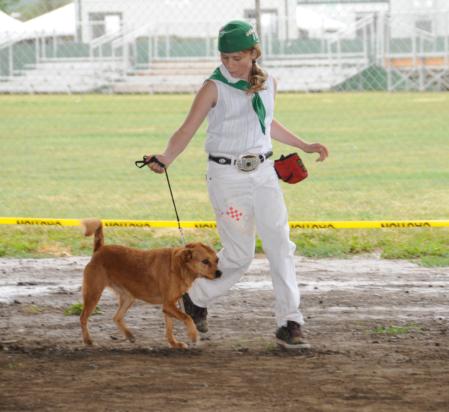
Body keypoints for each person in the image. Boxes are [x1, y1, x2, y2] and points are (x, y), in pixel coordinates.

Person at [147, 20, 329, 349]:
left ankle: (290, 321)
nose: (229, 64)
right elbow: (187, 128)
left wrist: (304, 145)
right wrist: (166, 156)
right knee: (240, 254)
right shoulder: (213, 87)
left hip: (264, 176)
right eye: (224, 57)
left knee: (281, 247)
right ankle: (196, 297)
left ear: (253, 54)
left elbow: (267, 122)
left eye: (237, 58)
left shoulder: (269, 82)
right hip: (227, 179)